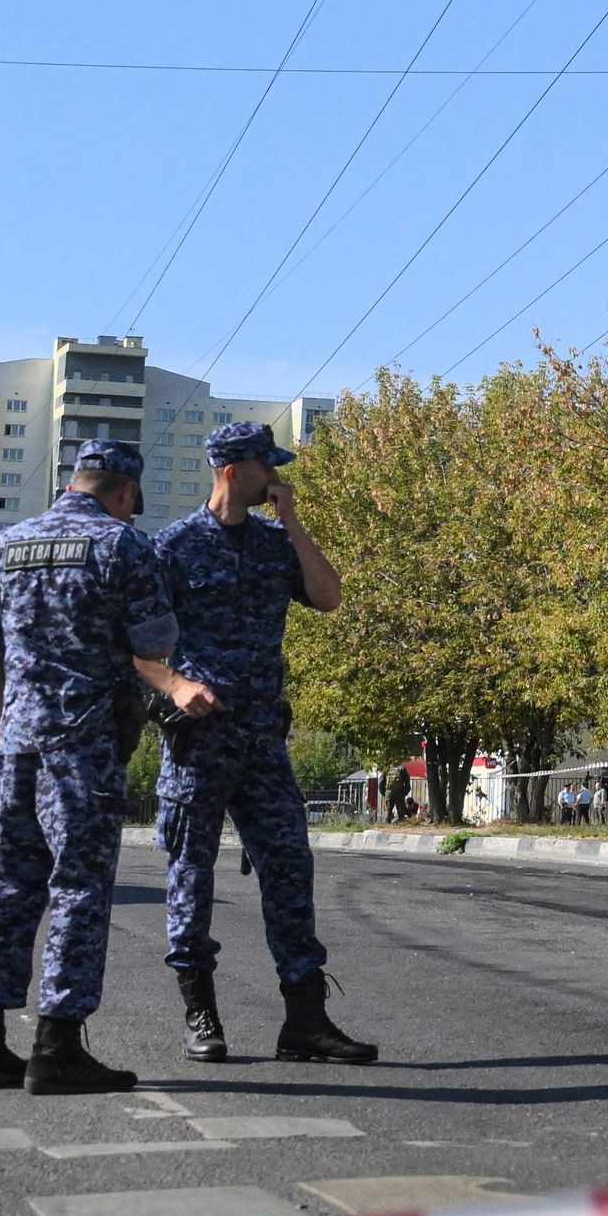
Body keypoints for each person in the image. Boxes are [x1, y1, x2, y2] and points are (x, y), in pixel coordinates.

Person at [0, 439, 213, 1096]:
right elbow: (157, 642)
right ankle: (57, 1046)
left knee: (7, 889)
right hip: (83, 747)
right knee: (77, 886)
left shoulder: (6, 544)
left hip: (17, 745)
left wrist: (8, 730)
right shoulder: (121, 546)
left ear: (74, 480)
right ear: (126, 492)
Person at [152, 421, 377, 1067]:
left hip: (262, 743)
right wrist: (175, 685)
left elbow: (329, 595)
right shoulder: (175, 547)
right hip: (199, 743)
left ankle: (305, 1021)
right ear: (231, 471)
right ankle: (201, 1014)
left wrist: (293, 520)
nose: (277, 476)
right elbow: (135, 644)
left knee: (289, 870)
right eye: (266, 467)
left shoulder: (277, 543)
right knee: (190, 876)